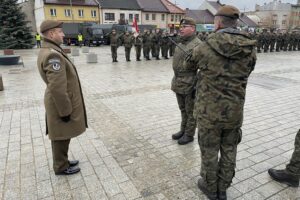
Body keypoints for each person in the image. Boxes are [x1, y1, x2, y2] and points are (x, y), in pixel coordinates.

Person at [190, 5, 256, 199]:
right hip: (234, 111)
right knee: (229, 148)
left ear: (218, 22)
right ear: (235, 23)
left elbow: (189, 65)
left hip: (209, 111)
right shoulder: (249, 49)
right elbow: (248, 71)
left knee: (209, 149)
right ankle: (223, 187)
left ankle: (210, 186)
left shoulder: (205, 46)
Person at [37, 20, 88, 175]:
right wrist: (65, 111)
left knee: (62, 133)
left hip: (58, 101)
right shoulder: (53, 55)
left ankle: (63, 160)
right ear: (52, 34)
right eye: (60, 31)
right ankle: (61, 166)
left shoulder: (50, 50)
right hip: (60, 103)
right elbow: (58, 88)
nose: (63, 34)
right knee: (60, 135)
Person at [171, 17, 202, 145]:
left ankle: (189, 134)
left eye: (184, 27)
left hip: (190, 83)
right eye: (181, 27)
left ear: (193, 28)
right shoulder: (181, 43)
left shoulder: (198, 45)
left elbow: (204, 67)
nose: (181, 29)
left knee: (191, 111)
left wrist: (197, 84)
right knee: (183, 109)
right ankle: (183, 130)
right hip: (178, 81)